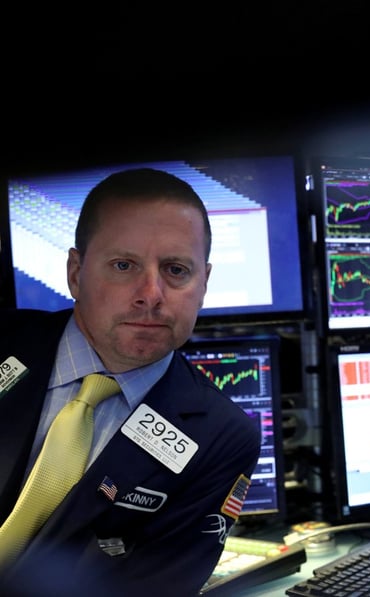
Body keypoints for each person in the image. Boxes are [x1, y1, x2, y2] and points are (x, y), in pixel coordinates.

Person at [0, 168, 261, 596]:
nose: (151, 294)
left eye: (176, 270)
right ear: (75, 272)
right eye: (124, 265)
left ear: (204, 284)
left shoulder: (221, 437)